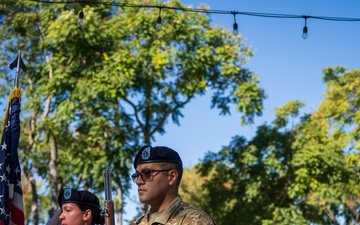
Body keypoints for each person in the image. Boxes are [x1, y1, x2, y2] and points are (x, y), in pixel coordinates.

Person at [131, 145, 216, 225]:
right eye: (137, 175)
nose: (139, 181)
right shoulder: (137, 223)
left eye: (146, 173)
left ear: (172, 177)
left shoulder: (195, 221)